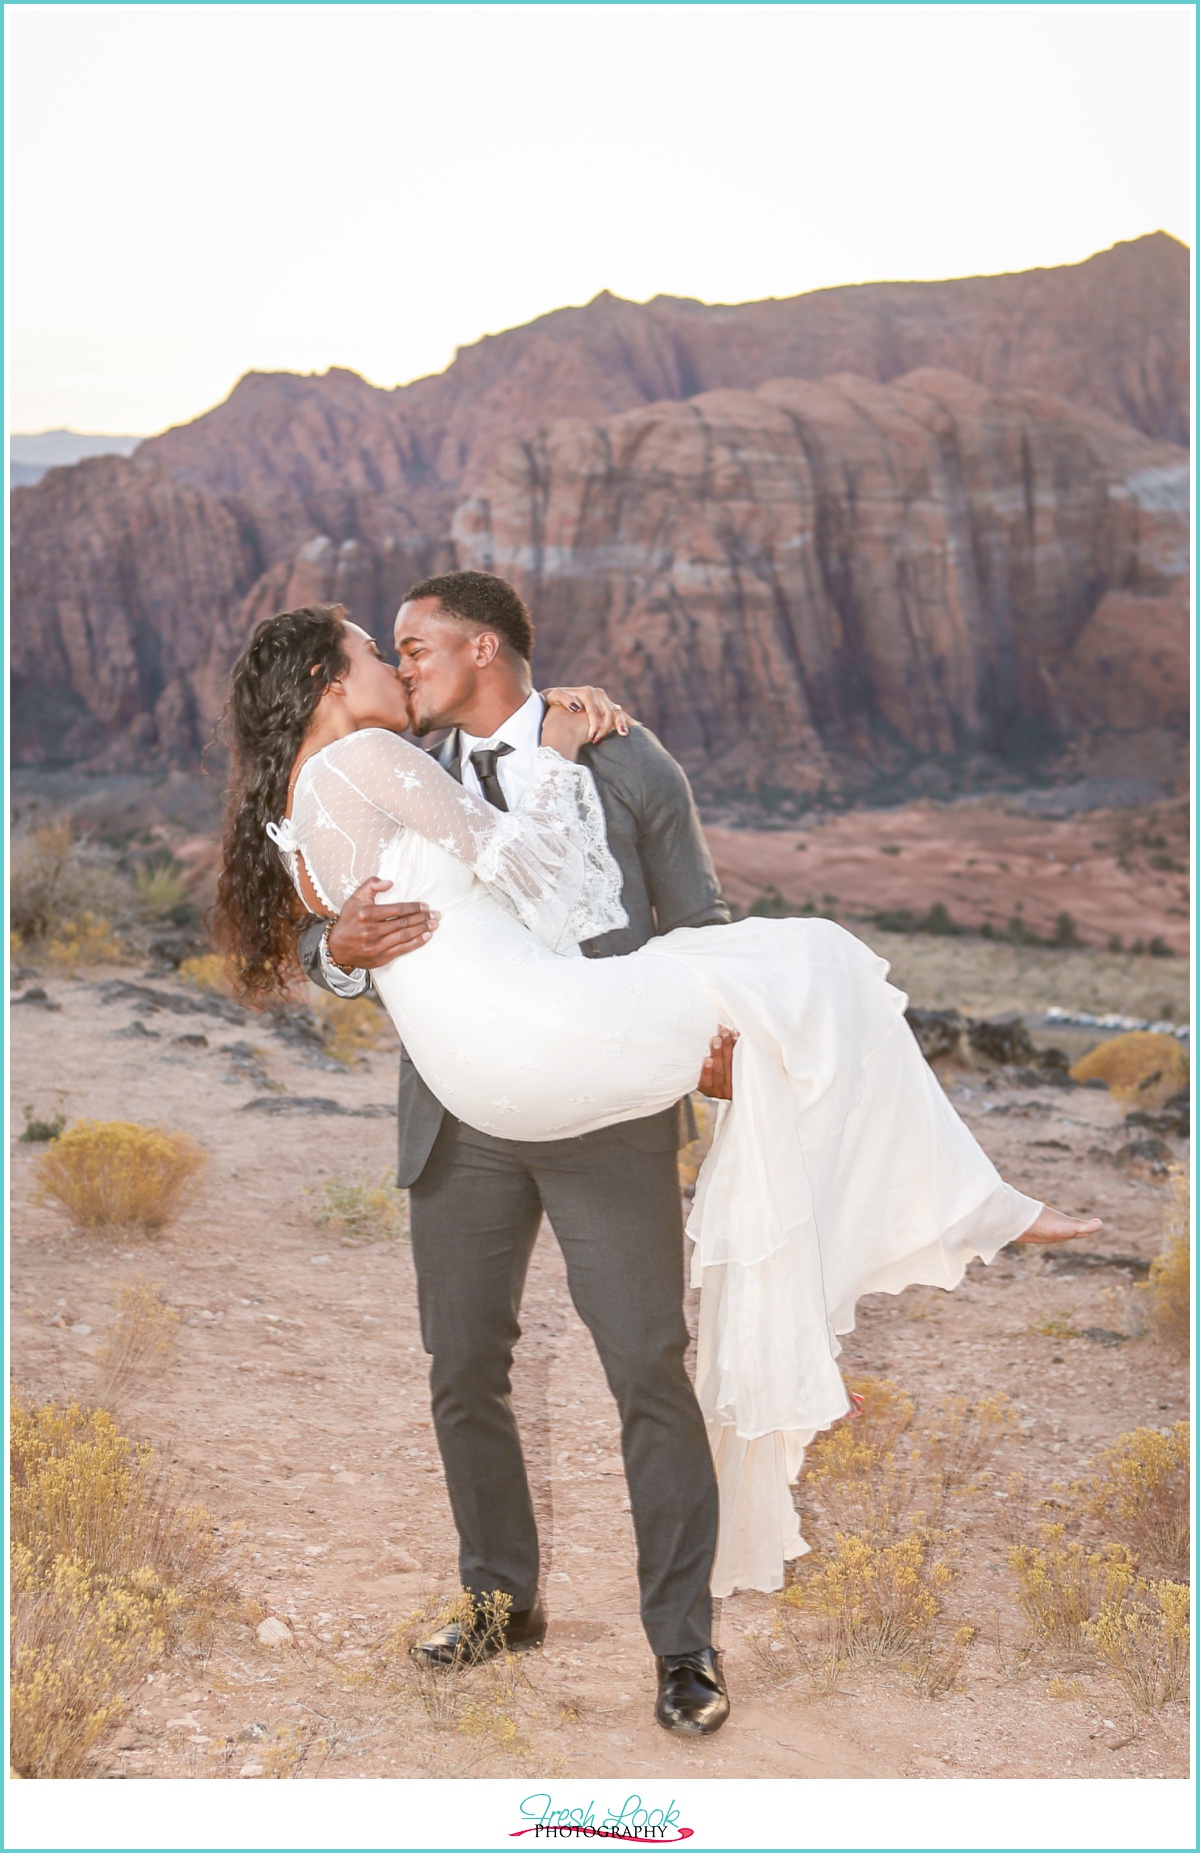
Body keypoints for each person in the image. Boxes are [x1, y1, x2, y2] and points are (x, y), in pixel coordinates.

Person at [212, 589, 1100, 1734]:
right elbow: (308, 910)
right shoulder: (396, 756)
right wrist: (335, 951)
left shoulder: (626, 760)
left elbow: (699, 913)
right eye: (386, 651)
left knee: (646, 1367)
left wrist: (720, 1046)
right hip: (462, 1114)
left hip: (607, 1107)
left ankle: (684, 1648)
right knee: (463, 1363)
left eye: (416, 643)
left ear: (484, 644)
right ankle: (499, 1599)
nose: (402, 663)